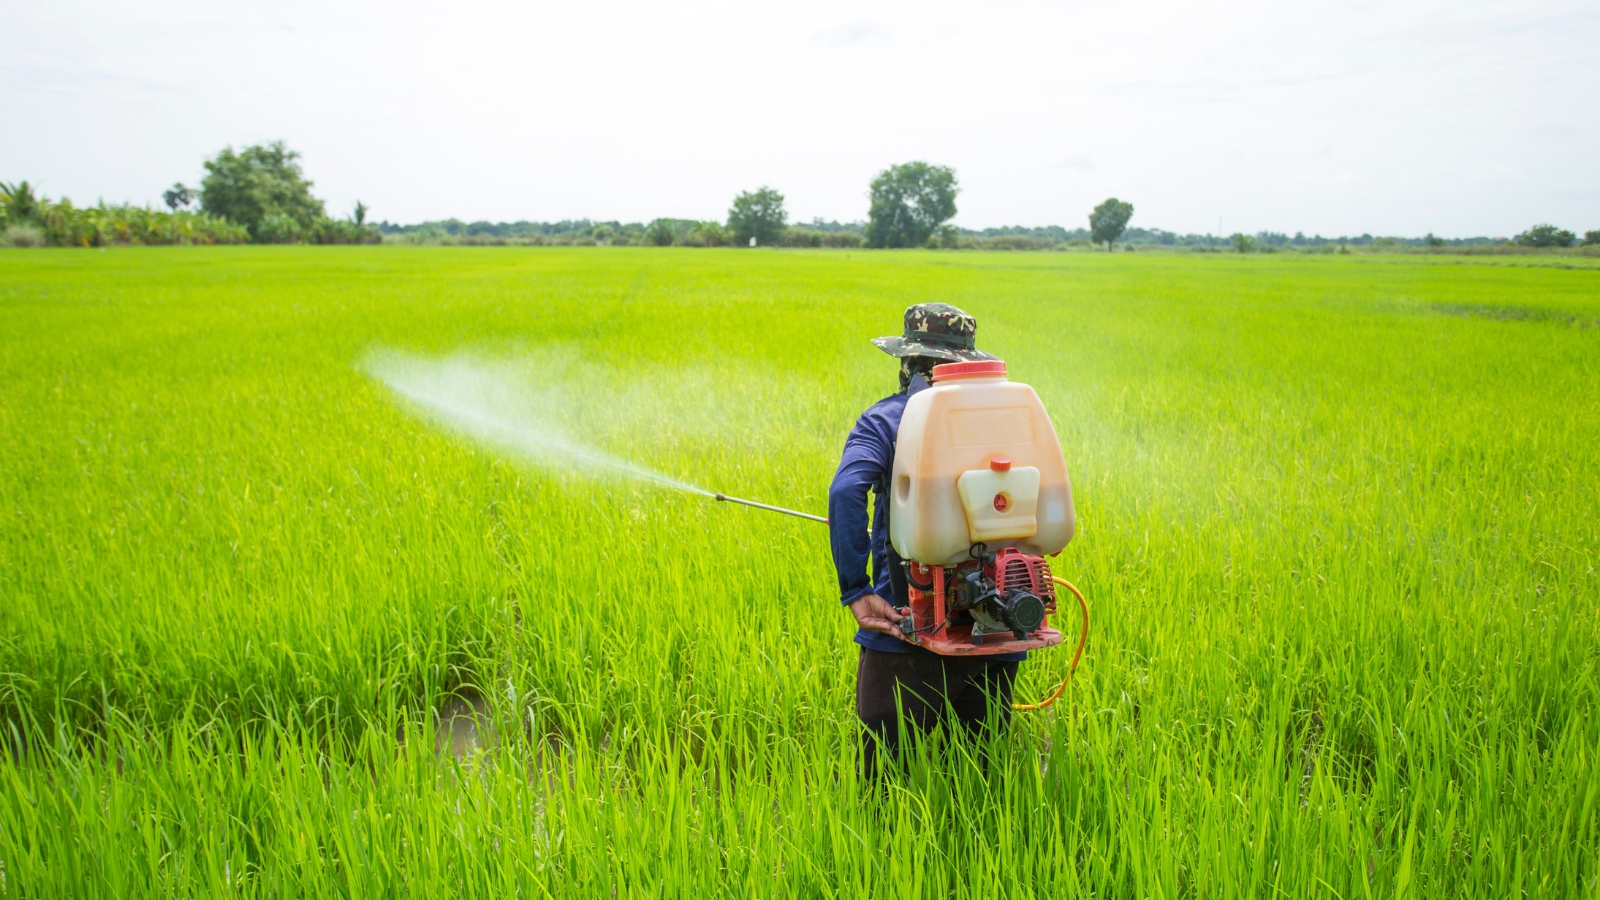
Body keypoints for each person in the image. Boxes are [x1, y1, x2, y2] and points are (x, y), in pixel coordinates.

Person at [827, 303, 1025, 778]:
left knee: (883, 787)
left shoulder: (888, 418)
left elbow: (846, 490)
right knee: (977, 782)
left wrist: (857, 590)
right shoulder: (1007, 420)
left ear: (908, 363)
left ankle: (879, 853)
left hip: (908, 625)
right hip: (998, 622)